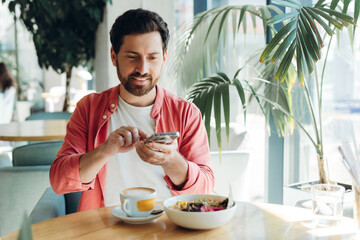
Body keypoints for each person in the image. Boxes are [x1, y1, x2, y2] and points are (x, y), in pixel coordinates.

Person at [50, 9, 214, 211]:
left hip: (170, 226)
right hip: (104, 229)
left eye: (152, 57)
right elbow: (59, 181)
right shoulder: (88, 108)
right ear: (113, 56)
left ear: (164, 57)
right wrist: (105, 150)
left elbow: (206, 188)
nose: (142, 68)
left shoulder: (187, 113)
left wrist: (171, 161)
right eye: (132, 56)